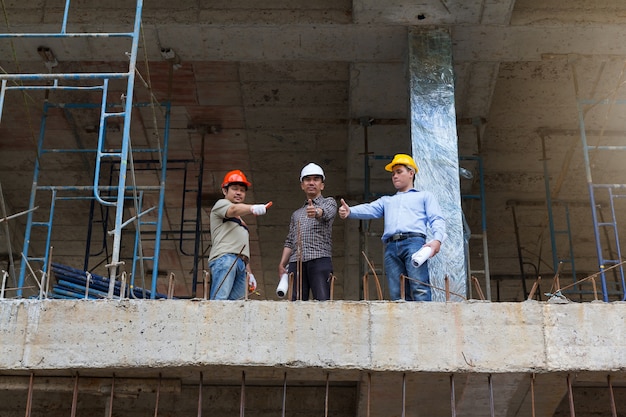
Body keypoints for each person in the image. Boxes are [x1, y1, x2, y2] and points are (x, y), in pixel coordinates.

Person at [338, 154, 445, 301]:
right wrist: (350, 211)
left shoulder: (424, 196)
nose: (395, 176)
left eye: (399, 172)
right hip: (391, 246)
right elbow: (370, 208)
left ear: (411, 173)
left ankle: (424, 323)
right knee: (396, 292)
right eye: (393, 173)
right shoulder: (387, 201)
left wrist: (437, 239)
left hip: (414, 243)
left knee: (419, 287)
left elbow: (436, 219)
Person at [209, 169, 272, 300]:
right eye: (235, 189)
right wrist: (252, 208)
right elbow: (233, 209)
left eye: (242, 190)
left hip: (241, 264)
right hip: (225, 259)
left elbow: (242, 250)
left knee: (235, 306)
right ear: (225, 191)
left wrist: (249, 273)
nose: (239, 192)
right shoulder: (222, 205)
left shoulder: (241, 222)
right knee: (220, 301)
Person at [278, 163, 337, 301]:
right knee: (295, 304)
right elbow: (289, 241)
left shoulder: (329, 202)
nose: (311, 182)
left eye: (316, 179)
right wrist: (282, 263)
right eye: (307, 179)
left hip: (320, 259)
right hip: (295, 262)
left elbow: (326, 213)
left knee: (323, 302)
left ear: (322, 185)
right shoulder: (296, 214)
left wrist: (316, 211)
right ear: (302, 185)